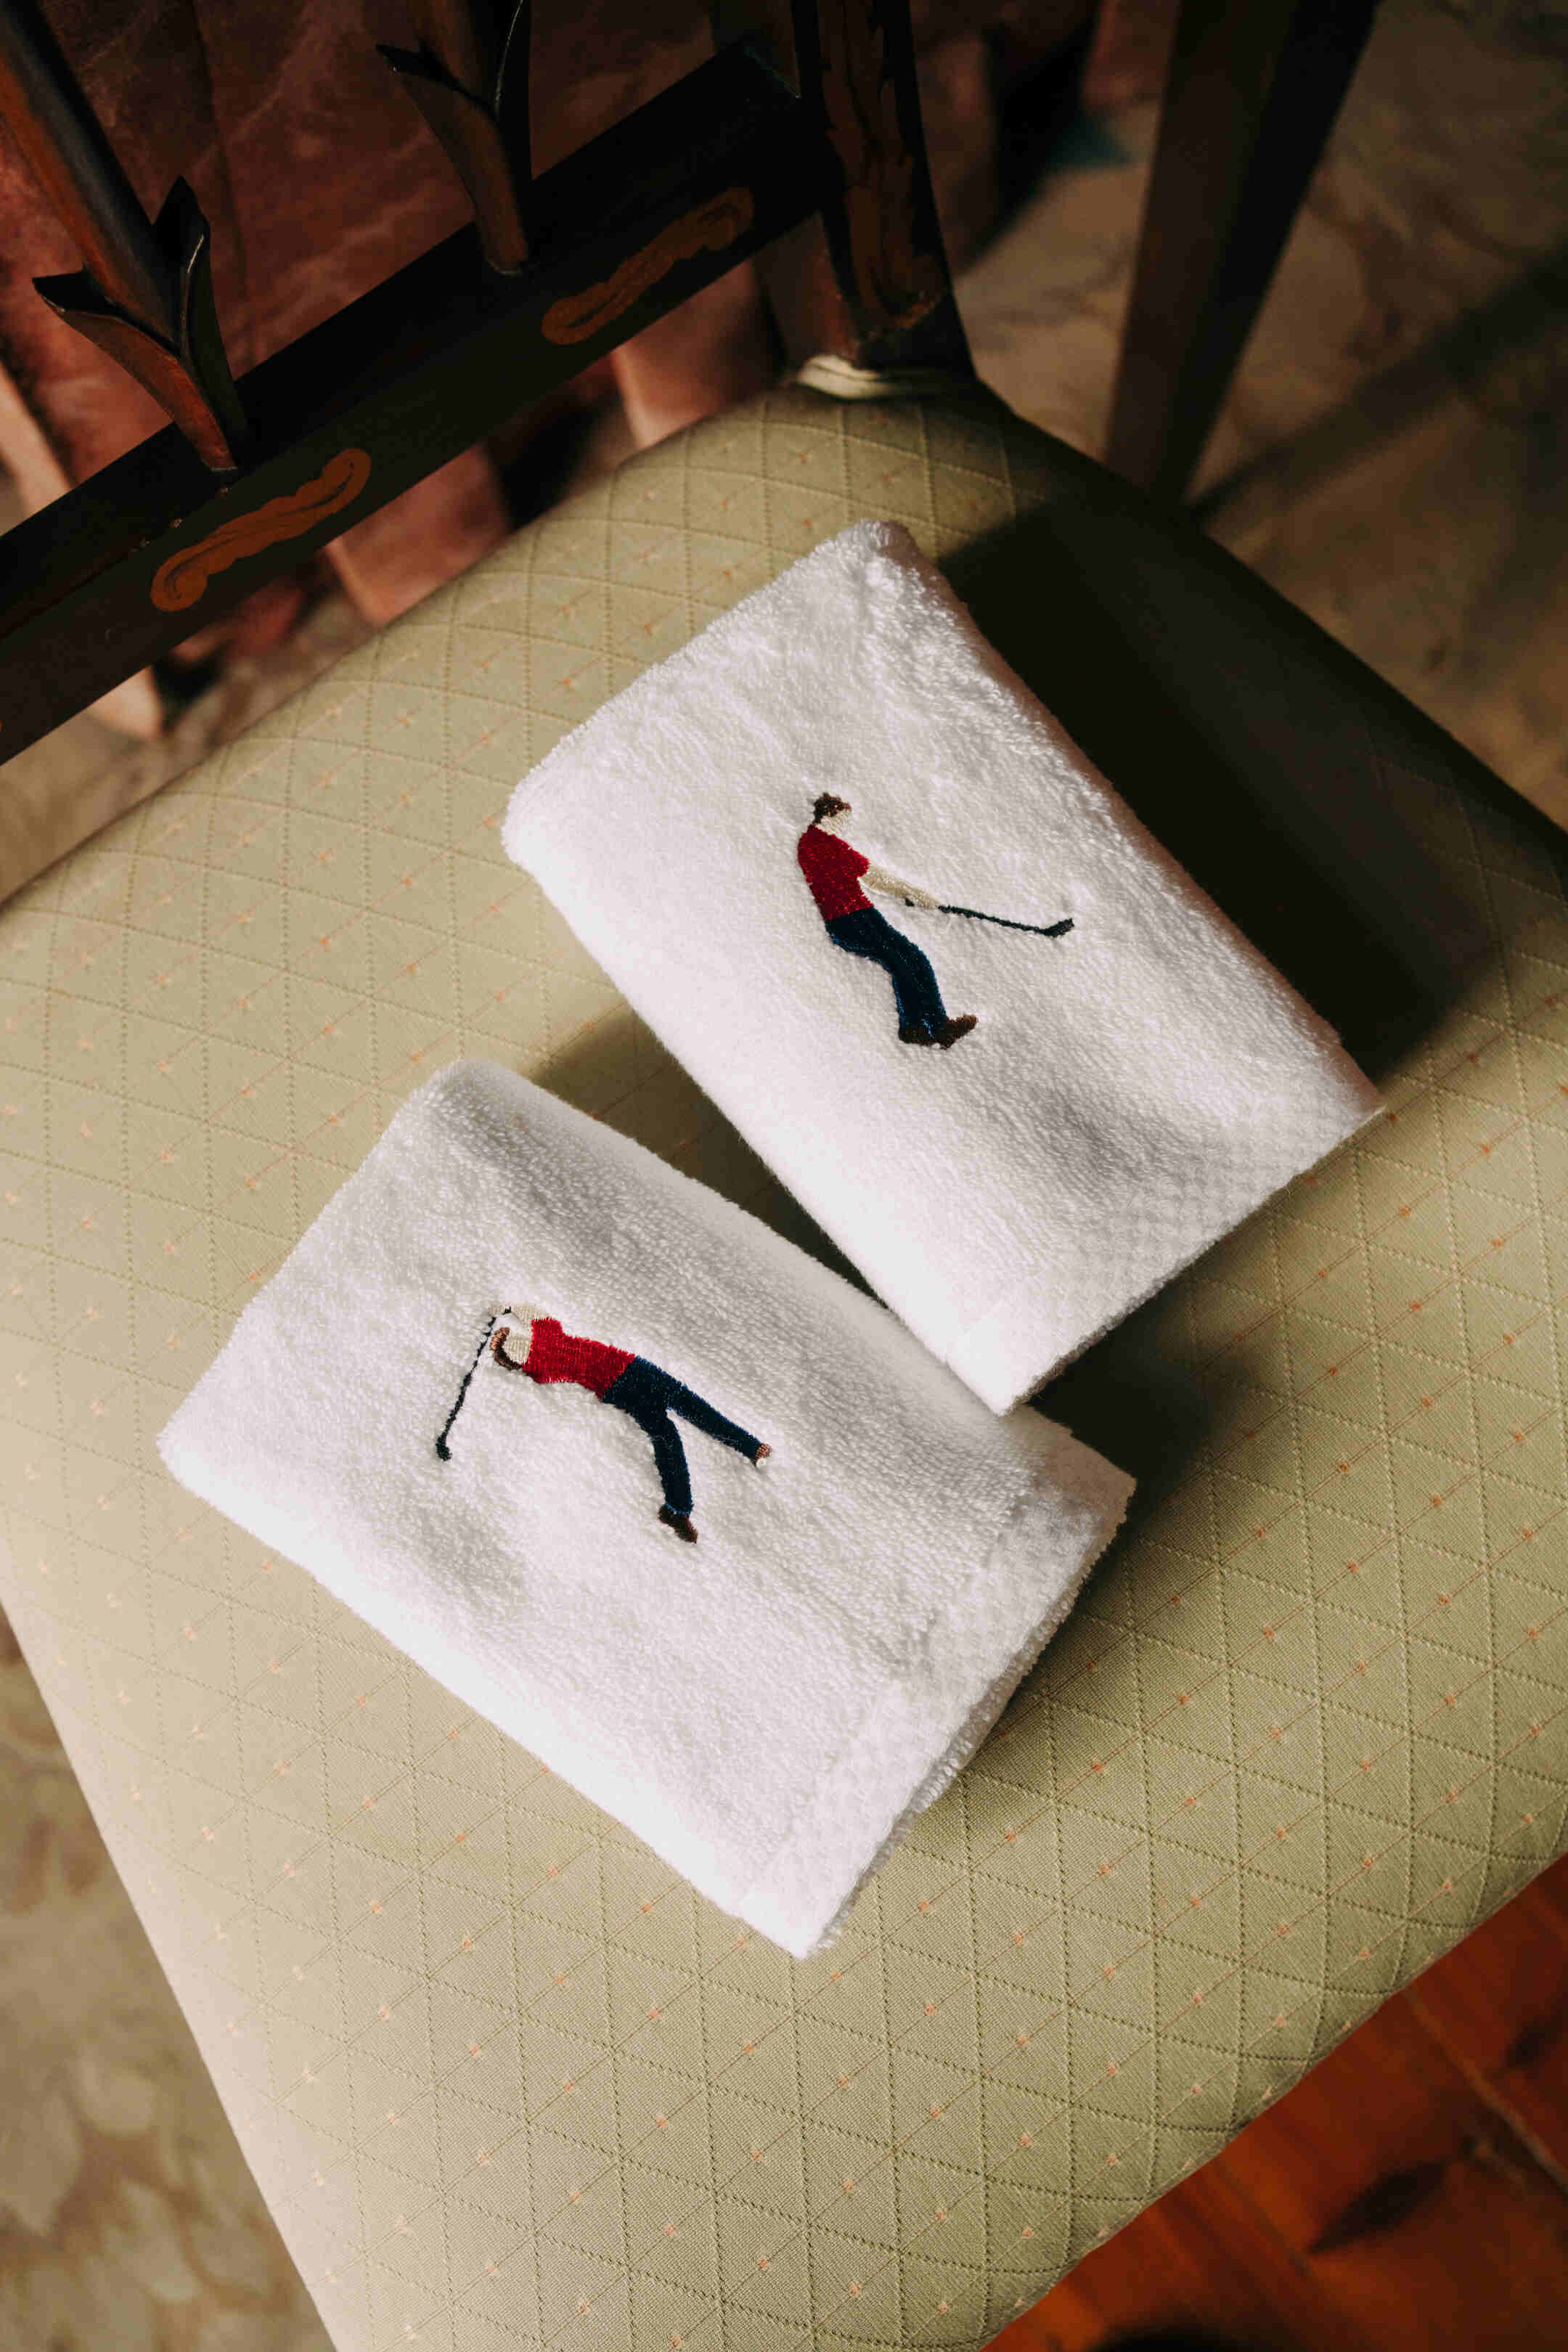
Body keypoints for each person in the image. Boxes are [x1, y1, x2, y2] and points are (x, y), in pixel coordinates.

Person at [489, 1308, 769, 1543]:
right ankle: (745, 1452)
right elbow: (532, 1314)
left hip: (619, 1383)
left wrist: (508, 1322)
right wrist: (508, 1311)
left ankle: (679, 1509)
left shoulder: (541, 1367)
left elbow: (530, 1323)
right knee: (687, 1412)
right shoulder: (545, 1349)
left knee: (667, 1434)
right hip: (630, 1369)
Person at [796, 793, 978, 1049]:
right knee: (906, 961)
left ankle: (924, 1026)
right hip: (851, 920)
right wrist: (914, 894)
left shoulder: (815, 843)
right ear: (829, 815)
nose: (842, 825)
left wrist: (910, 894)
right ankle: (927, 1027)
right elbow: (875, 878)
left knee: (909, 961)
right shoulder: (824, 844)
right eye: (841, 819)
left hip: (858, 917)